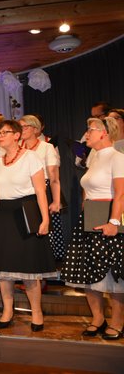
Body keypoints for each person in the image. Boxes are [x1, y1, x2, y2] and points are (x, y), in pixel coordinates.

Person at [0, 120, 57, 332]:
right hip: (3, 215)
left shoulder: (31, 157)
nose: (0, 136)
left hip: (25, 213)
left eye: (5, 132)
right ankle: (7, 311)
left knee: (28, 269)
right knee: (4, 271)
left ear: (17, 135)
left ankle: (37, 312)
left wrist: (45, 219)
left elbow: (41, 191)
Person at [62, 116, 124, 340]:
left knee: (112, 273)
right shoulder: (95, 157)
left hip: (108, 214)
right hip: (90, 215)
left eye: (91, 129)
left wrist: (114, 222)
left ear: (104, 133)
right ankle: (98, 317)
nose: (86, 133)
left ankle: (118, 321)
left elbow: (121, 194)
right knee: (86, 269)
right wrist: (84, 213)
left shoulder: (117, 158)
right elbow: (87, 188)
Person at [19, 115, 65, 261]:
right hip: (23, 191)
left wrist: (56, 201)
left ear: (35, 129)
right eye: (19, 127)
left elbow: (54, 177)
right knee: (26, 232)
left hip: (43, 191)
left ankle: (44, 274)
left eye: (25, 126)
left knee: (44, 232)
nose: (21, 130)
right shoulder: (18, 148)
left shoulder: (47, 147)